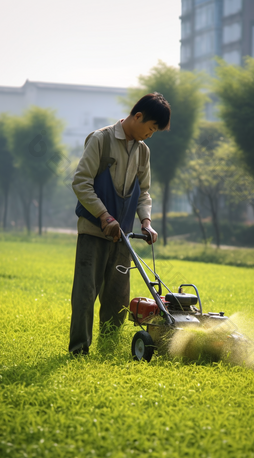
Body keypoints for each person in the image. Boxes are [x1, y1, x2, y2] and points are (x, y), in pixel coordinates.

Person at [69, 92, 171, 355]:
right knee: (85, 294)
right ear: (137, 116)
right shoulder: (101, 139)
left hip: (122, 236)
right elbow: (81, 183)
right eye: (150, 128)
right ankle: (79, 350)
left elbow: (144, 192)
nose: (150, 135)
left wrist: (146, 222)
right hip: (94, 230)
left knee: (117, 298)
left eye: (154, 131)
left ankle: (109, 349)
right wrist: (104, 216)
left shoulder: (143, 152)